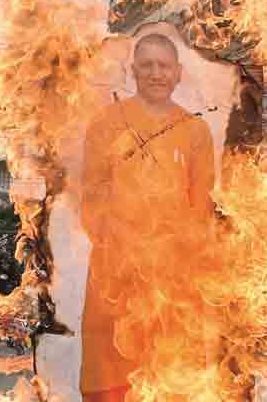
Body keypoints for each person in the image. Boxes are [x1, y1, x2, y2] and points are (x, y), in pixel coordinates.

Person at [79, 33, 216, 402]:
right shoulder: (106, 125)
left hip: (173, 289)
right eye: (148, 65)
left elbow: (201, 212)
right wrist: (128, 250)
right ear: (133, 71)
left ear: (178, 73)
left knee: (174, 385)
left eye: (164, 66)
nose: (156, 73)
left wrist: (170, 256)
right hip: (115, 282)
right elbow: (90, 202)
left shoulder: (196, 132)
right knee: (111, 385)